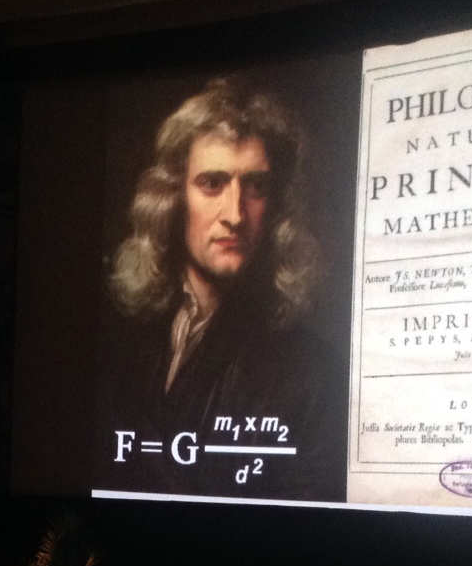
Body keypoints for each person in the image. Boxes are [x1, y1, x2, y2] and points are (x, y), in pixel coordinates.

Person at [98, 76, 345, 501]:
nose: (235, 214)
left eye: (256, 186)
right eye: (213, 183)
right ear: (173, 198)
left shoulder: (312, 371)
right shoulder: (123, 339)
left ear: (276, 204)